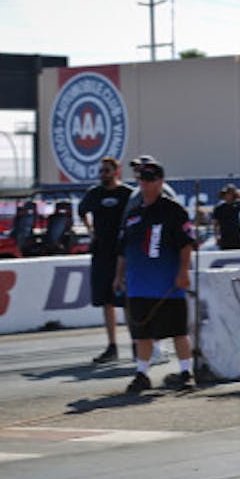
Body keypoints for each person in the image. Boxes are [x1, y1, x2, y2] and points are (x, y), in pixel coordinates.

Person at [113, 160, 198, 394]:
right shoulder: (133, 214)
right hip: (139, 284)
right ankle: (142, 373)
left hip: (168, 283)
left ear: (160, 182)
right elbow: (123, 249)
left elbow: (186, 244)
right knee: (142, 334)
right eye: (142, 180)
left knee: (178, 331)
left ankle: (185, 371)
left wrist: (183, 272)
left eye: (150, 180)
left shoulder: (174, 210)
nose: (146, 184)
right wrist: (119, 276)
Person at [78, 156, 133, 364]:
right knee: (106, 301)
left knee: (126, 300)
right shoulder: (94, 193)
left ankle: (137, 343)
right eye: (101, 171)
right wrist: (91, 230)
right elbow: (82, 211)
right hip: (101, 253)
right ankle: (112, 346)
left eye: (107, 171)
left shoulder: (126, 193)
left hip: (121, 252)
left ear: (116, 172)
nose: (103, 175)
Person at [212, 184, 240, 249]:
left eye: (229, 194)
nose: (227, 195)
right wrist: (216, 237)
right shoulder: (219, 208)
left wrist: (236, 191)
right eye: (226, 194)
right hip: (224, 236)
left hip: (236, 235)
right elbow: (215, 224)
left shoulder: (236, 205)